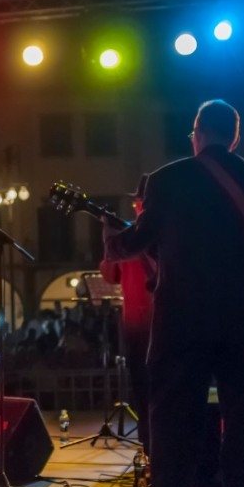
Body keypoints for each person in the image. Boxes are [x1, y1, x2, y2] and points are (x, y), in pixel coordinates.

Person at [103, 100, 244, 487]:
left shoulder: (168, 179)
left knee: (173, 420)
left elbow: (139, 241)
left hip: (183, 322)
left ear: (197, 133)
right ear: (233, 136)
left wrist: (111, 242)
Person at [99, 174, 156, 454]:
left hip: (159, 324)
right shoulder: (128, 237)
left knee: (156, 394)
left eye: (141, 201)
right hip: (135, 325)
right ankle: (149, 451)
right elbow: (110, 273)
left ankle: (160, 451)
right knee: (143, 394)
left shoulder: (155, 236)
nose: (137, 206)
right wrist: (108, 239)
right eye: (136, 202)